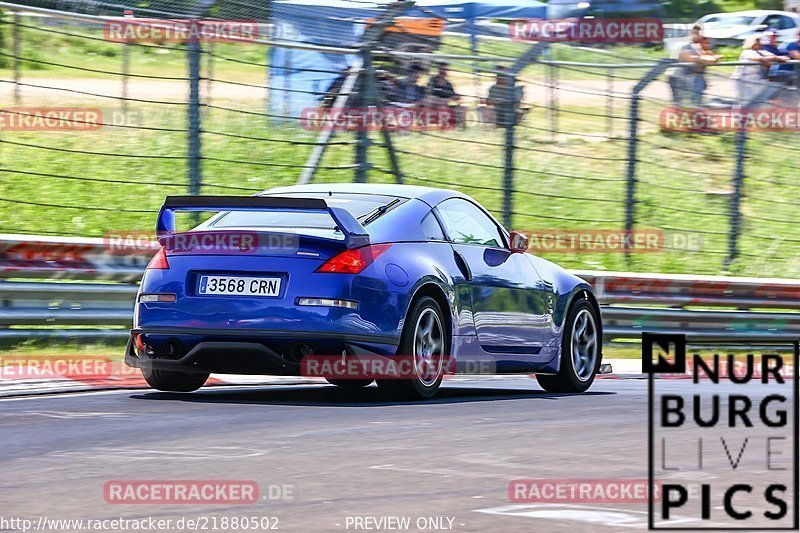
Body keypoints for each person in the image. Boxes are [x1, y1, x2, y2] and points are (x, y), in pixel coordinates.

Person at [668, 26, 720, 108]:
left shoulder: (697, 45)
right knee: (680, 103)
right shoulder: (685, 44)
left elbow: (709, 56)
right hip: (679, 76)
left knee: (693, 102)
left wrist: (709, 58)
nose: (701, 37)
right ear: (692, 33)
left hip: (691, 76)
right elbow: (689, 58)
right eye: (697, 34)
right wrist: (709, 60)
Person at [732, 36, 777, 106]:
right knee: (744, 101)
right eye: (757, 43)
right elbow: (756, 58)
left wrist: (774, 58)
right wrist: (772, 58)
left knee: (755, 102)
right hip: (743, 79)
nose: (759, 45)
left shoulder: (761, 52)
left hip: (754, 80)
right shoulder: (747, 52)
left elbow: (775, 57)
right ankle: (740, 116)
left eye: (759, 44)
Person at [424, 62, 465, 129]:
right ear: (439, 70)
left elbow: (454, 96)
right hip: (433, 105)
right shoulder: (433, 80)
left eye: (445, 70)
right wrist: (444, 100)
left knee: (461, 108)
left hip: (444, 105)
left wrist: (457, 98)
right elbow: (429, 96)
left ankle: (460, 128)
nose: (443, 71)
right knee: (441, 107)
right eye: (442, 69)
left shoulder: (448, 84)